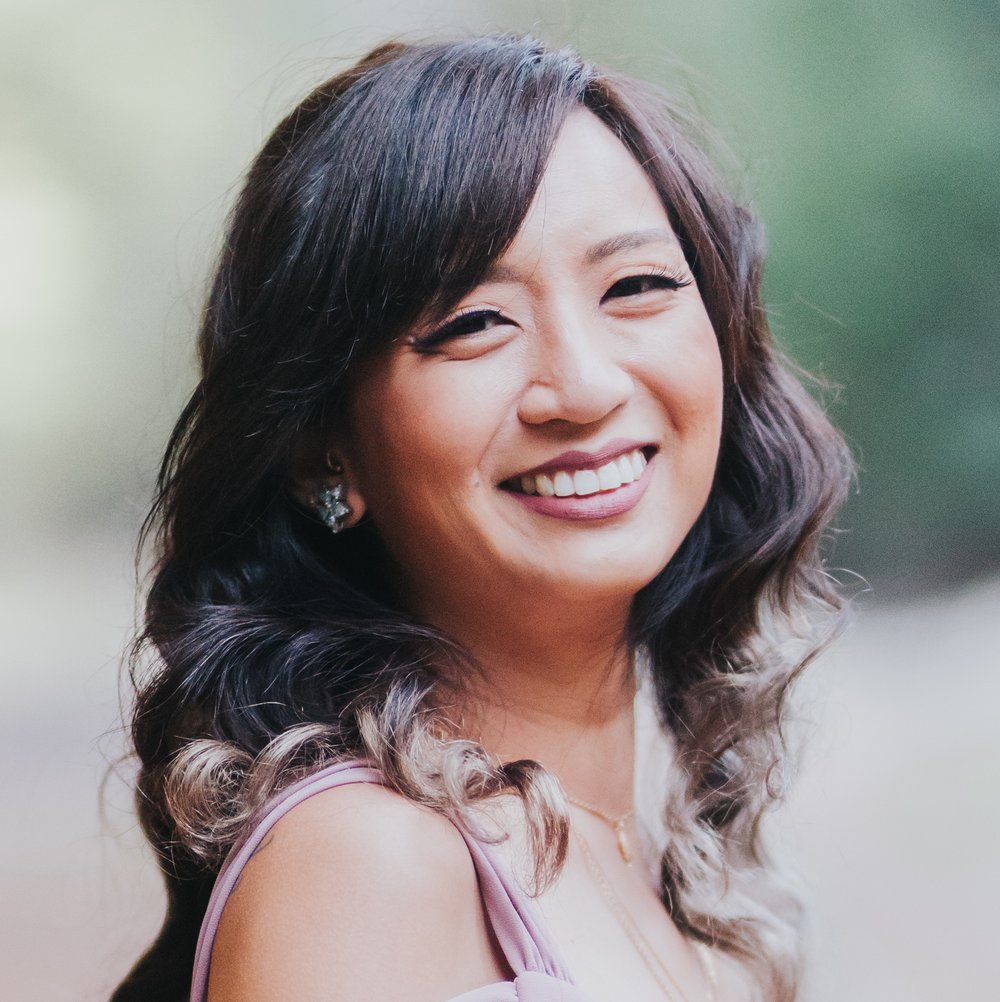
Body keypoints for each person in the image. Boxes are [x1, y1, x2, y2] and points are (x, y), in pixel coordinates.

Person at [111, 34, 852, 1002]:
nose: (581, 386)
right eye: (471, 323)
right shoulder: (368, 863)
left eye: (636, 287)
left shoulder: (689, 878)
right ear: (319, 445)